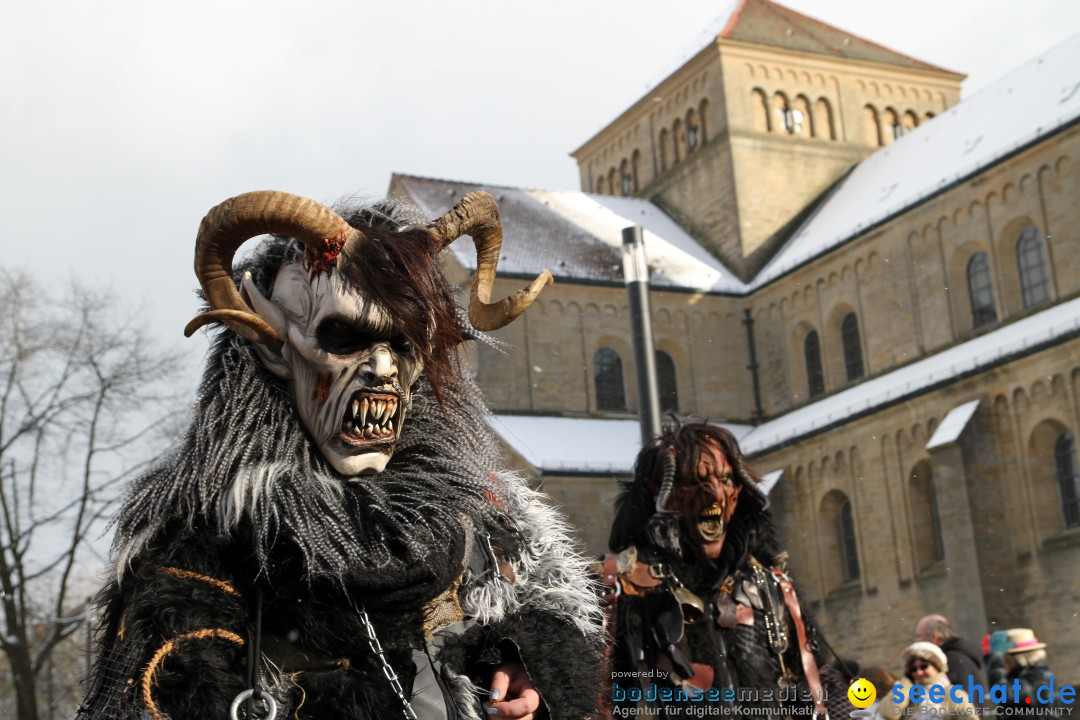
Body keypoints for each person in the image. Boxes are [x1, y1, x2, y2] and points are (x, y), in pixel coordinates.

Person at [77, 191, 603, 719]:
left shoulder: (482, 512)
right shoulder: (197, 544)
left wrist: (525, 662)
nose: (382, 368)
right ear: (272, 344)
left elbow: (550, 605)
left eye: (402, 344)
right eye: (344, 335)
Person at [603, 419, 845, 716]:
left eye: (725, 479)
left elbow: (820, 684)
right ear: (659, 493)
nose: (715, 494)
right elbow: (592, 699)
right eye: (695, 482)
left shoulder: (770, 586)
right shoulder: (622, 590)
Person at [875, 642, 973, 720]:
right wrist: (906, 682)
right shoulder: (910, 694)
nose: (919, 672)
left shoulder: (955, 694)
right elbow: (889, 714)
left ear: (937, 666)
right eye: (913, 669)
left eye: (924, 666)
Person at [984, 628, 1064, 717]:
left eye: (1004, 659)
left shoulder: (1038, 678)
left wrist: (995, 658)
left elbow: (1002, 693)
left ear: (1014, 660)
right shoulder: (1027, 674)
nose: (1003, 664)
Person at [915, 614, 987, 689]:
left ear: (934, 637)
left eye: (919, 636)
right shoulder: (960, 657)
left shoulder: (951, 662)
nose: (917, 642)